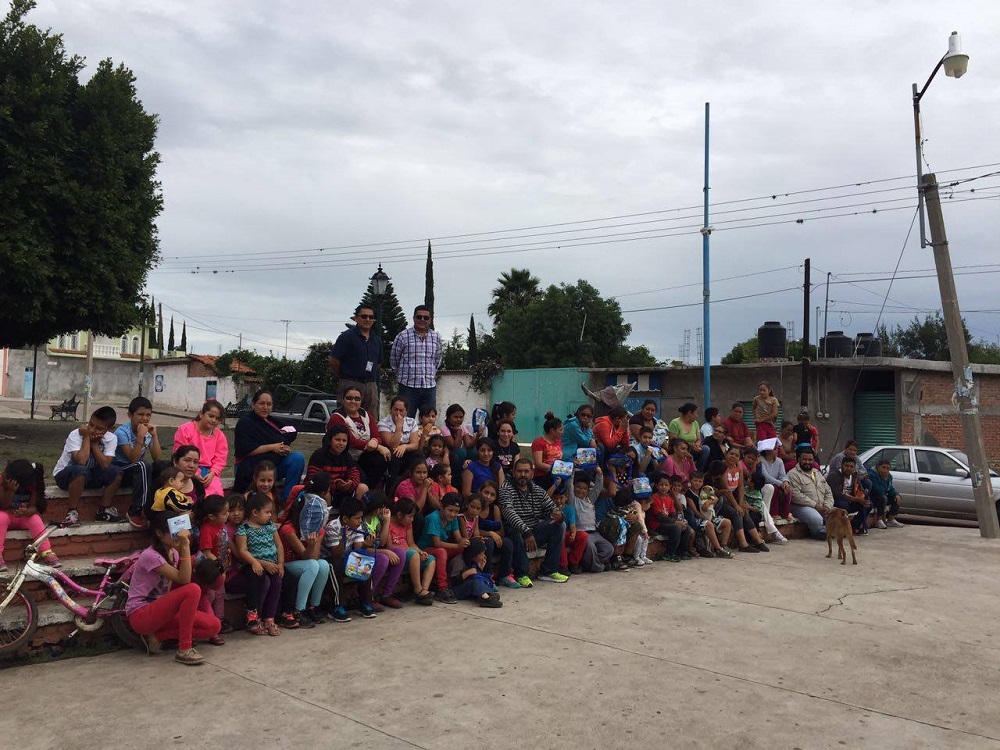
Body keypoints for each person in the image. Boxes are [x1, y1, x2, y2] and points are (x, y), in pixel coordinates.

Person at [126, 517, 221, 665]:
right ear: (159, 533)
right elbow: (184, 580)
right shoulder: (150, 556)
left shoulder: (174, 554)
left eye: (181, 532)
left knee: (213, 626)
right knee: (192, 589)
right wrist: (185, 546)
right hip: (142, 614)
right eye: (174, 532)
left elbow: (182, 580)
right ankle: (184, 649)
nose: (180, 535)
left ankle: (157, 636)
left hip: (162, 612)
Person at [498, 458, 569, 584]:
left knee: (560, 524)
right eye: (519, 471)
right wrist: (526, 532)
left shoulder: (537, 490)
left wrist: (559, 515)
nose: (523, 474)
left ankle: (548, 571)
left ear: (532, 473)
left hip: (534, 531)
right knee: (513, 530)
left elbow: (551, 507)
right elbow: (508, 512)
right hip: (518, 532)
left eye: (526, 471)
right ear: (513, 472)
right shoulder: (505, 488)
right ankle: (521, 574)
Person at [53, 406, 124, 526]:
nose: (92, 430)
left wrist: (95, 445)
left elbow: (106, 464)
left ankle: (103, 510)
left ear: (110, 429)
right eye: (91, 424)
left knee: (117, 471)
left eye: (99, 428)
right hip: (66, 476)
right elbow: (81, 460)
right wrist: (86, 437)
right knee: (81, 470)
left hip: (90, 476)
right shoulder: (76, 434)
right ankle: (72, 512)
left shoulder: (111, 438)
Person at [234, 390, 306, 502]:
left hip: (272, 464)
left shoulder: (271, 421)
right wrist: (273, 447)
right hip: (251, 466)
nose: (265, 407)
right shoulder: (245, 423)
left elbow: (283, 438)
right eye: (262, 403)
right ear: (253, 404)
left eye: (269, 404)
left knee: (297, 458)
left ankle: (287, 502)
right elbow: (244, 450)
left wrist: (283, 448)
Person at [233, 492, 284, 636]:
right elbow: (242, 551)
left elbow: (279, 546)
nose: (270, 515)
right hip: (252, 564)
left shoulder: (270, 526)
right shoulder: (244, 529)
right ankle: (254, 616)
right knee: (262, 581)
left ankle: (269, 618)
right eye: (267, 512)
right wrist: (256, 562)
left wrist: (280, 563)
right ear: (255, 512)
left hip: (273, 564)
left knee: (277, 582)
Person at [277, 488, 328, 628]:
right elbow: (305, 555)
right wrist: (311, 545)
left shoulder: (319, 528)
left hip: (306, 563)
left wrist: (315, 540)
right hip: (287, 565)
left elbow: (315, 557)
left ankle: (313, 607)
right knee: (312, 565)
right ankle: (299, 610)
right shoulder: (289, 529)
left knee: (323, 564)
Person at [326, 386, 390, 489]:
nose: (353, 401)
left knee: (383, 458)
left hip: (365, 455)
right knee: (361, 476)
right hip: (345, 456)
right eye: (349, 398)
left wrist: (374, 441)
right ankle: (363, 492)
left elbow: (377, 436)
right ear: (343, 399)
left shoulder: (366, 414)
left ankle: (373, 492)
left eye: (357, 399)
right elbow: (351, 441)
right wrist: (377, 447)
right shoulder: (337, 417)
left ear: (361, 401)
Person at [113, 397, 163, 528]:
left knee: (163, 466)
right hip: (120, 472)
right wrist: (140, 437)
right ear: (130, 415)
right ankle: (136, 510)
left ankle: (161, 506)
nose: (145, 419)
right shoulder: (121, 432)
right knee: (142, 464)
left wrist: (154, 436)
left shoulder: (147, 432)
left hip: (140, 472)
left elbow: (157, 459)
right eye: (140, 414)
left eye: (148, 415)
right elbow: (133, 459)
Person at [1, 459, 60, 570]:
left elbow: (33, 507)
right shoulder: (2, 481)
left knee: (35, 518)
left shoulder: (31, 485)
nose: (3, 475)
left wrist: (26, 512)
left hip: (22, 516)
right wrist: (10, 491)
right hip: (5, 515)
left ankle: (46, 552)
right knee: (1, 518)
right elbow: (2, 506)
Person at [390, 305, 444, 417]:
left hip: (429, 388)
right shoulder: (403, 336)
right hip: (407, 387)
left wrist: (431, 374)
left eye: (426, 318)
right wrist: (402, 376)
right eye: (419, 317)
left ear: (430, 320)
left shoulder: (436, 337)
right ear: (414, 318)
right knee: (404, 420)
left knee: (429, 420)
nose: (422, 320)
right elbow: (394, 360)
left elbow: (437, 360)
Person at [329, 304, 383, 416]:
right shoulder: (346, 337)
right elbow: (334, 360)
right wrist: (344, 377)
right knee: (347, 419)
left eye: (370, 317)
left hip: (371, 386)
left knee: (371, 419)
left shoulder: (377, 340)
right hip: (350, 383)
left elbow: (378, 364)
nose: (367, 319)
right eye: (364, 316)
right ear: (356, 318)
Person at [710, 457, 768, 553]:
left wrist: (740, 504)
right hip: (720, 501)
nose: (733, 457)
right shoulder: (722, 468)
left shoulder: (738, 467)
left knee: (743, 511)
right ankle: (743, 544)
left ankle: (758, 541)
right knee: (737, 512)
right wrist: (737, 506)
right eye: (731, 454)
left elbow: (740, 486)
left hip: (729, 499)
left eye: (736, 455)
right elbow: (727, 491)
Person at [172, 400, 227, 498]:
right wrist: (195, 473)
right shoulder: (185, 429)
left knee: (215, 496)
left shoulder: (220, 435)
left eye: (217, 418)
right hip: (185, 469)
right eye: (211, 416)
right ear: (201, 414)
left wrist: (212, 473)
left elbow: (220, 458)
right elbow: (179, 453)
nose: (214, 420)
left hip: (209, 473)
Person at [307, 424, 368, 512]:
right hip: (323, 493)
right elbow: (314, 480)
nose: (341, 443)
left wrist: (349, 484)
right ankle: (323, 519)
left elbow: (355, 474)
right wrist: (336, 485)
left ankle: (355, 517)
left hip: (342, 492)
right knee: (324, 492)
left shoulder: (346, 456)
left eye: (344, 441)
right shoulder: (319, 455)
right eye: (337, 440)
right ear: (330, 440)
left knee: (363, 488)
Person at [387, 498, 436, 605]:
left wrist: (420, 551)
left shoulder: (408, 524)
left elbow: (411, 543)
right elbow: (389, 546)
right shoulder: (388, 524)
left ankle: (423, 591)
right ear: (399, 515)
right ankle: (418, 589)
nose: (412, 519)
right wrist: (413, 551)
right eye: (410, 516)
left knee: (431, 560)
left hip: (411, 555)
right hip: (397, 556)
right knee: (413, 554)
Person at [417, 493, 465, 603]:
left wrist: (466, 542)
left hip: (439, 548)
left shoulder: (453, 519)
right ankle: (442, 588)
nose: (453, 514)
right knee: (441, 552)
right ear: (441, 506)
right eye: (450, 510)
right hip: (425, 549)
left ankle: (456, 579)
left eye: (456, 511)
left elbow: (458, 538)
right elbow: (436, 543)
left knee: (464, 549)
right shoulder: (433, 518)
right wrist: (458, 545)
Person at [195, 493, 231, 640]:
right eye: (224, 513)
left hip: (221, 567)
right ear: (211, 516)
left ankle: (219, 620)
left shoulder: (222, 526)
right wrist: (219, 565)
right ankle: (208, 624)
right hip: (211, 570)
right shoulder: (207, 530)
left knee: (220, 594)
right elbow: (206, 552)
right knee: (210, 595)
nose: (227, 515)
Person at [363, 493, 406, 611]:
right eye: (381, 507)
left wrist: (386, 522)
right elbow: (363, 548)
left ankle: (387, 594)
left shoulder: (378, 519)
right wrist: (385, 552)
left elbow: (382, 542)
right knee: (383, 559)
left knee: (400, 553)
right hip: (363, 553)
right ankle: (368, 597)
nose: (383, 509)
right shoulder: (361, 521)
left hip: (377, 549)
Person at [568, 469, 613, 573]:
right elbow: (569, 485)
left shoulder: (590, 500)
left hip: (594, 532)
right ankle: (597, 567)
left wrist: (600, 473)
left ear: (588, 491)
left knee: (609, 549)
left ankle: (587, 563)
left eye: (584, 489)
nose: (581, 490)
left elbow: (598, 487)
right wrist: (572, 471)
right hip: (582, 533)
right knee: (591, 548)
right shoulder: (573, 501)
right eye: (578, 487)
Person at [787, 447, 834, 539]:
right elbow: (796, 496)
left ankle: (828, 529)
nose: (807, 462)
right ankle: (819, 532)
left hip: (822, 506)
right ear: (799, 459)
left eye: (810, 460)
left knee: (840, 513)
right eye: (804, 459)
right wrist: (815, 505)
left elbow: (828, 492)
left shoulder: (817, 473)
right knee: (816, 519)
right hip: (801, 507)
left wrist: (827, 507)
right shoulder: (792, 474)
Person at [377, 396, 423, 477]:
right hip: (391, 452)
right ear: (391, 409)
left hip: (406, 451)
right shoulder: (383, 423)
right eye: (395, 409)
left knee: (418, 455)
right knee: (396, 456)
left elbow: (415, 444)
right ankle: (394, 484)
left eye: (401, 410)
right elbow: (392, 445)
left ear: (406, 411)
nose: (398, 413)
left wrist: (404, 446)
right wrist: (399, 427)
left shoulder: (411, 422)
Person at [826, 455, 871, 535]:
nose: (849, 468)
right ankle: (842, 527)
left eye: (851, 466)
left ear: (854, 468)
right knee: (843, 504)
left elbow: (860, 489)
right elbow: (837, 494)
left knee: (868, 505)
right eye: (846, 466)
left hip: (850, 500)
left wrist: (863, 499)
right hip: (835, 500)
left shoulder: (854, 475)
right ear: (842, 466)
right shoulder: (834, 475)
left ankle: (854, 526)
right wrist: (857, 500)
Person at [550, 482, 589, 575]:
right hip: (557, 536)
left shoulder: (569, 509)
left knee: (583, 535)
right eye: (556, 498)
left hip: (568, 534)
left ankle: (573, 563)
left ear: (566, 497)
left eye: (561, 498)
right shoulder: (550, 508)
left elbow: (572, 524)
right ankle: (563, 566)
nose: (558, 501)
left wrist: (573, 533)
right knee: (560, 535)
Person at [453, 538, 503, 608]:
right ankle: (485, 598)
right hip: (455, 590)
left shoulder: (472, 561)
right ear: (473, 555)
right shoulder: (458, 562)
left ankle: (485, 595)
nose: (484, 556)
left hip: (467, 586)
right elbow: (453, 582)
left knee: (481, 579)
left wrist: (481, 568)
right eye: (481, 554)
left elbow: (477, 575)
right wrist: (466, 573)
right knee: (475, 582)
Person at [758, 440, 794, 521]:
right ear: (767, 451)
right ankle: (774, 513)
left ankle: (785, 513)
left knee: (787, 488)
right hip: (764, 485)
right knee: (775, 488)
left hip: (777, 484)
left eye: (777, 448)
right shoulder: (760, 460)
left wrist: (785, 482)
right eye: (775, 449)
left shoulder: (779, 461)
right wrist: (780, 483)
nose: (777, 450)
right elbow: (766, 477)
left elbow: (783, 475)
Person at [668, 403, 708, 470]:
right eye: (696, 413)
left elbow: (699, 439)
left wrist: (696, 445)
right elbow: (673, 441)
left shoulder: (695, 423)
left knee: (706, 449)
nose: (697, 416)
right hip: (679, 449)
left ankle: (698, 471)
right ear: (689, 413)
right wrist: (689, 445)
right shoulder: (675, 423)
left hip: (692, 449)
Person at [531, 413, 564, 490]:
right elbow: (538, 464)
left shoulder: (558, 442)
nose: (562, 432)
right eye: (560, 430)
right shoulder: (538, 442)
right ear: (552, 431)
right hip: (543, 477)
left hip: (557, 475)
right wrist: (556, 469)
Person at [869, 459, 905, 529]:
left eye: (887, 468)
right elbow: (877, 490)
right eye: (883, 467)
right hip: (873, 497)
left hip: (882, 495)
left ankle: (891, 519)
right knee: (883, 498)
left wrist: (895, 494)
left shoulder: (889, 476)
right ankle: (878, 520)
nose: (885, 470)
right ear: (878, 467)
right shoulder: (872, 474)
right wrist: (883, 479)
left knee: (897, 498)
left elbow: (890, 488)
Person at [442, 403, 481, 468]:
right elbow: (455, 446)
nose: (459, 419)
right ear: (448, 418)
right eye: (455, 417)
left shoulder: (462, 428)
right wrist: (459, 432)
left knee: (473, 452)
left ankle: (470, 471)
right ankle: (458, 474)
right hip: (448, 453)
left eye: (461, 417)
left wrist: (478, 435)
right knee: (461, 452)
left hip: (459, 453)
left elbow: (469, 445)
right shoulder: (445, 429)